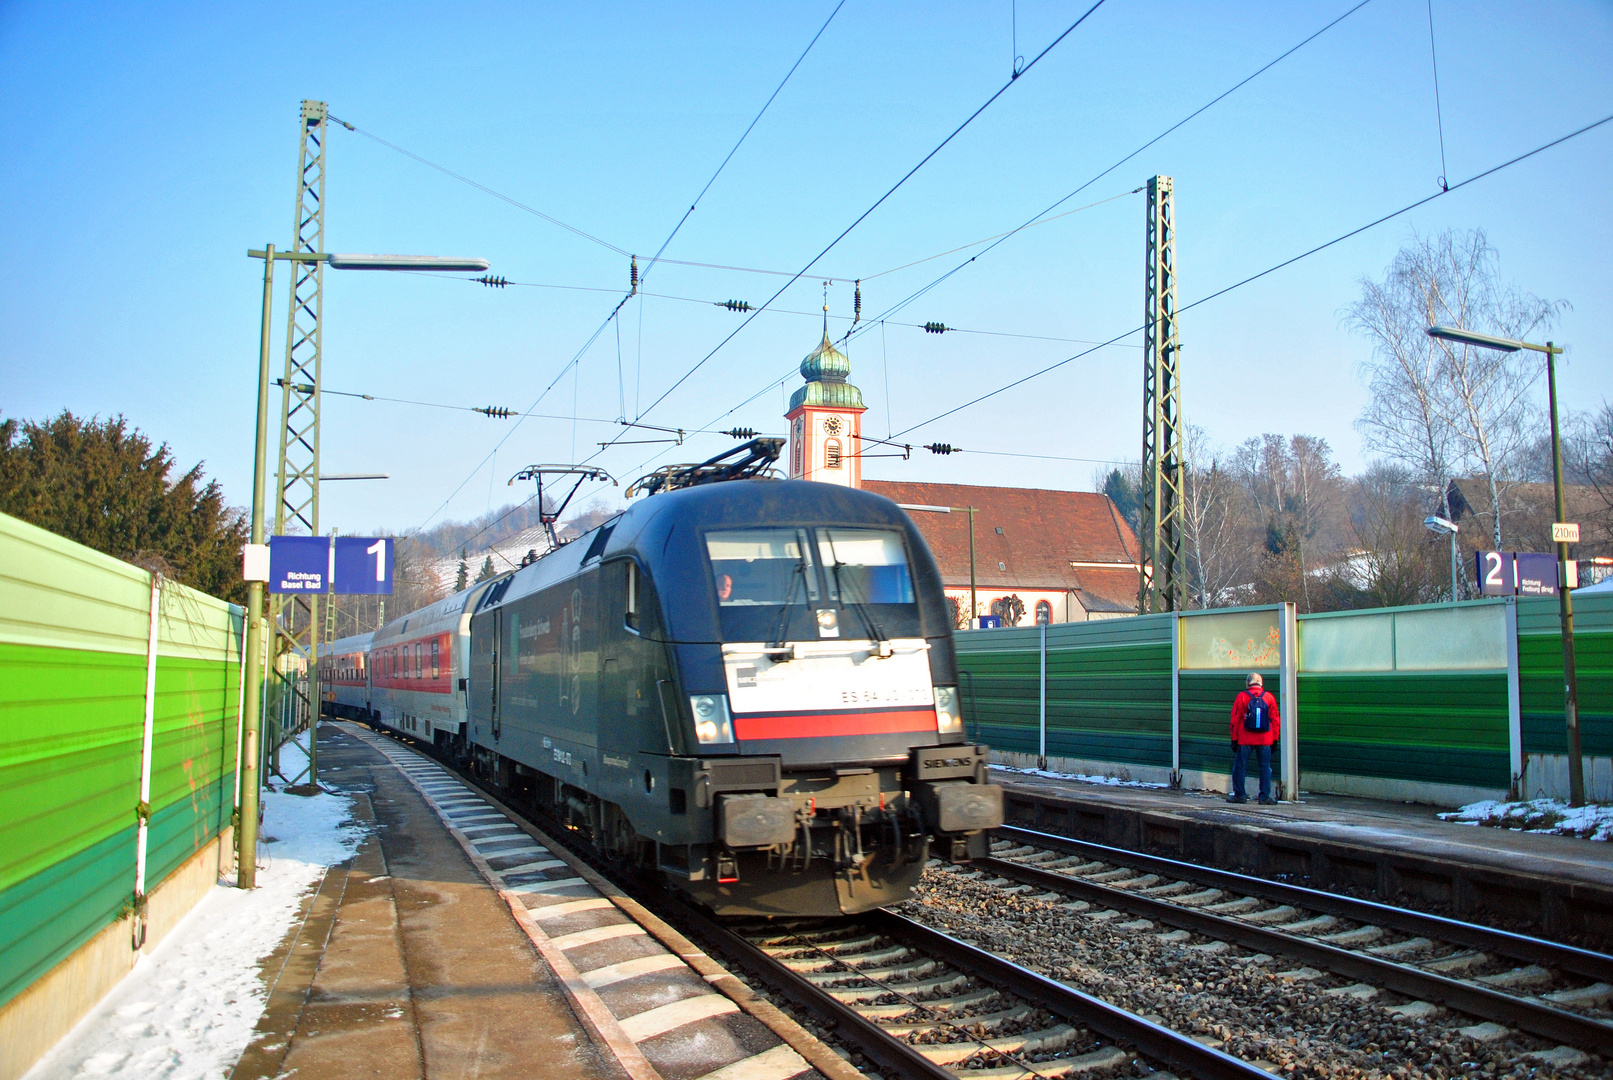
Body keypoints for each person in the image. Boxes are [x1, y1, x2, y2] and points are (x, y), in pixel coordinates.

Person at [1228, 672, 1280, 805]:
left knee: (1239, 767)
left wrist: (1234, 739)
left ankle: (1240, 795)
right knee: (1265, 768)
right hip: (1264, 739)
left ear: (1247, 683)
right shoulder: (1269, 697)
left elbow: (1234, 720)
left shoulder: (1242, 697)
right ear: (1261, 683)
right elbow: (1275, 720)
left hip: (1245, 739)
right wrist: (1275, 739)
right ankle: (1264, 797)